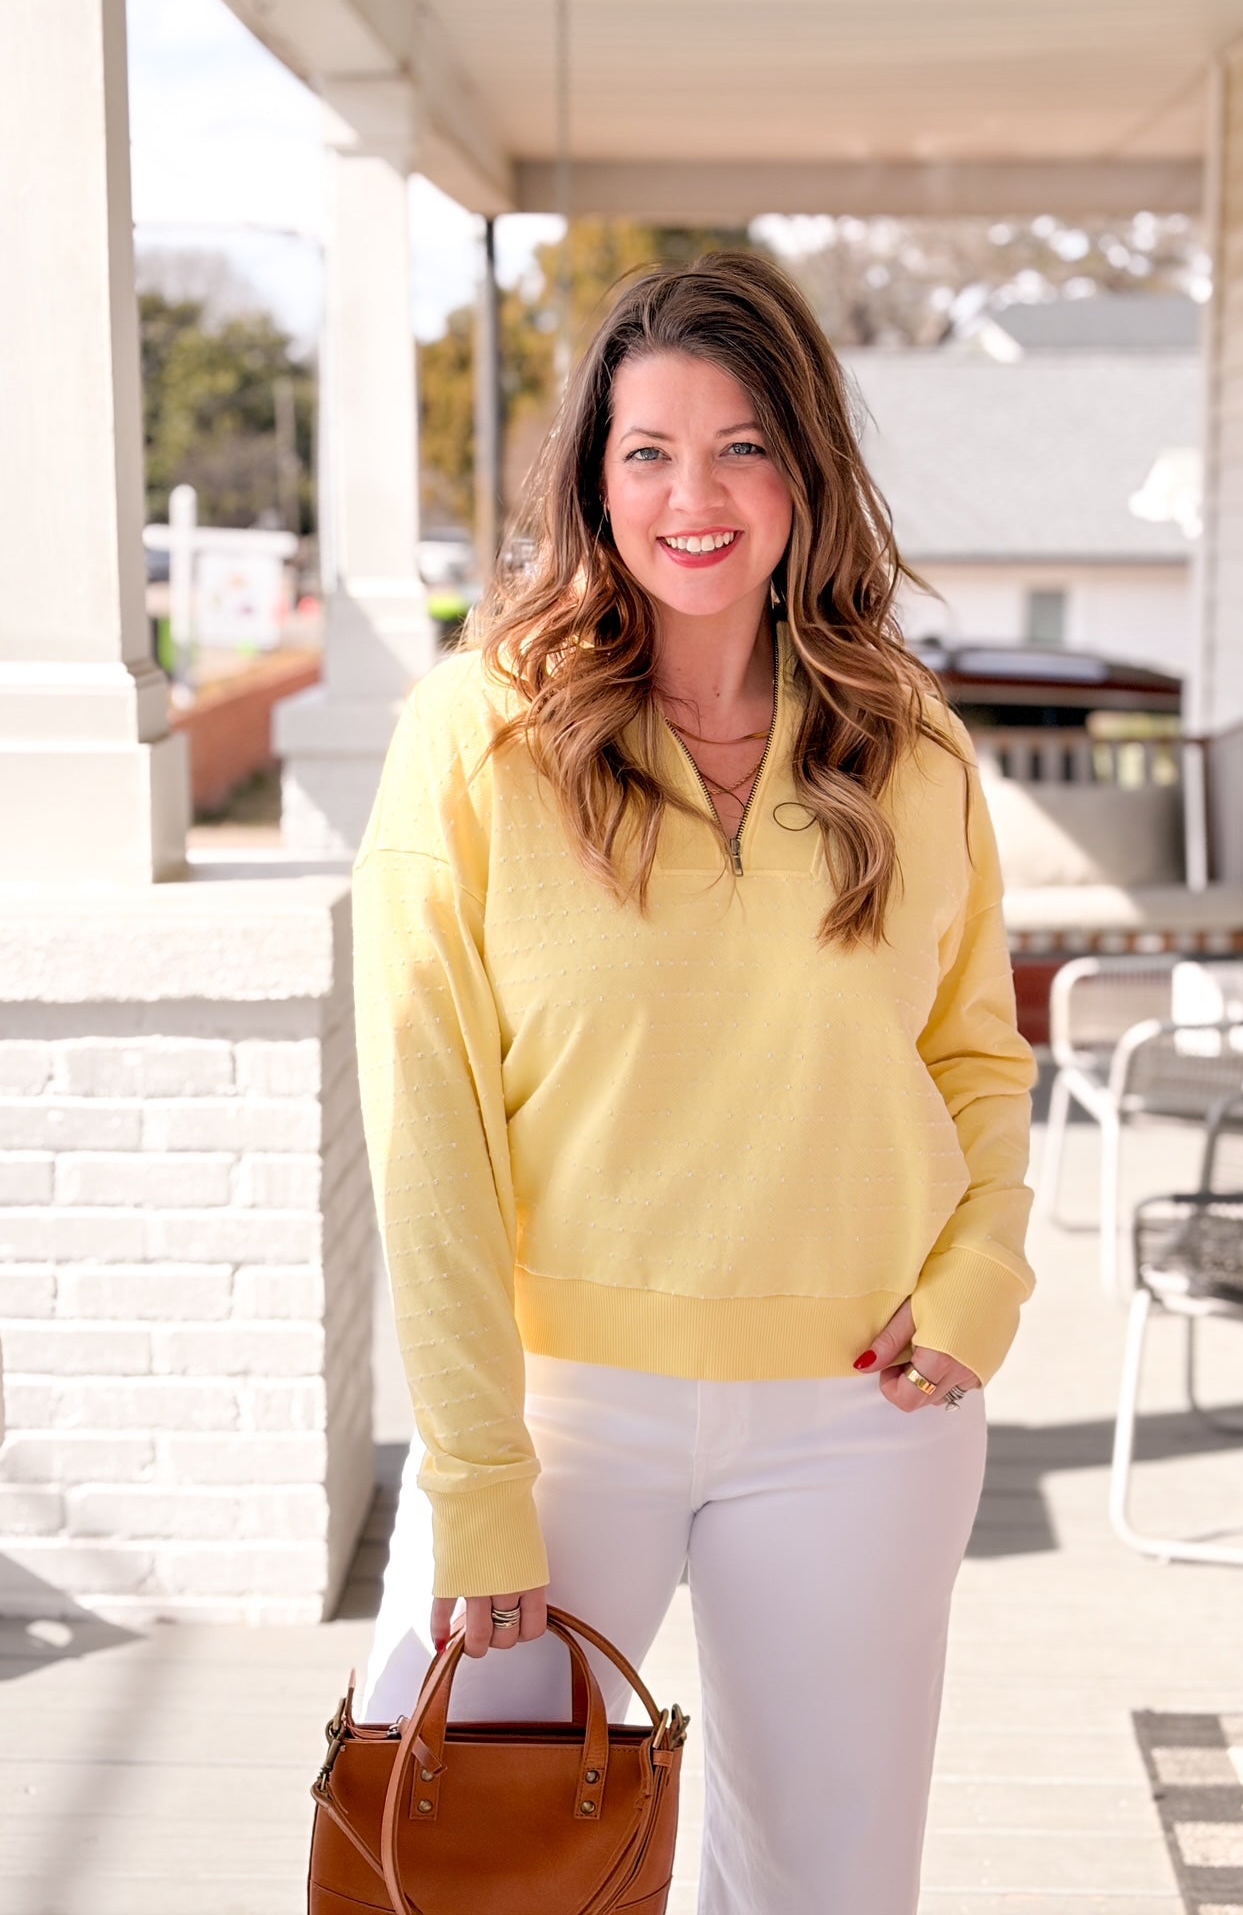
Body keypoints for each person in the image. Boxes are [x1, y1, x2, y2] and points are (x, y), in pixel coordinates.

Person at [350, 248, 1038, 1914]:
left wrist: (983, 1273)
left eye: (740, 446)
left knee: (827, 1883)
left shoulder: (909, 741)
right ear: (594, 476)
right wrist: (475, 1482)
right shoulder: (476, 734)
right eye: (646, 450)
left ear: (804, 470)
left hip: (866, 1417)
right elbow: (423, 1115)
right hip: (558, 1409)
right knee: (452, 1876)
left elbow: (971, 1049)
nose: (694, 495)